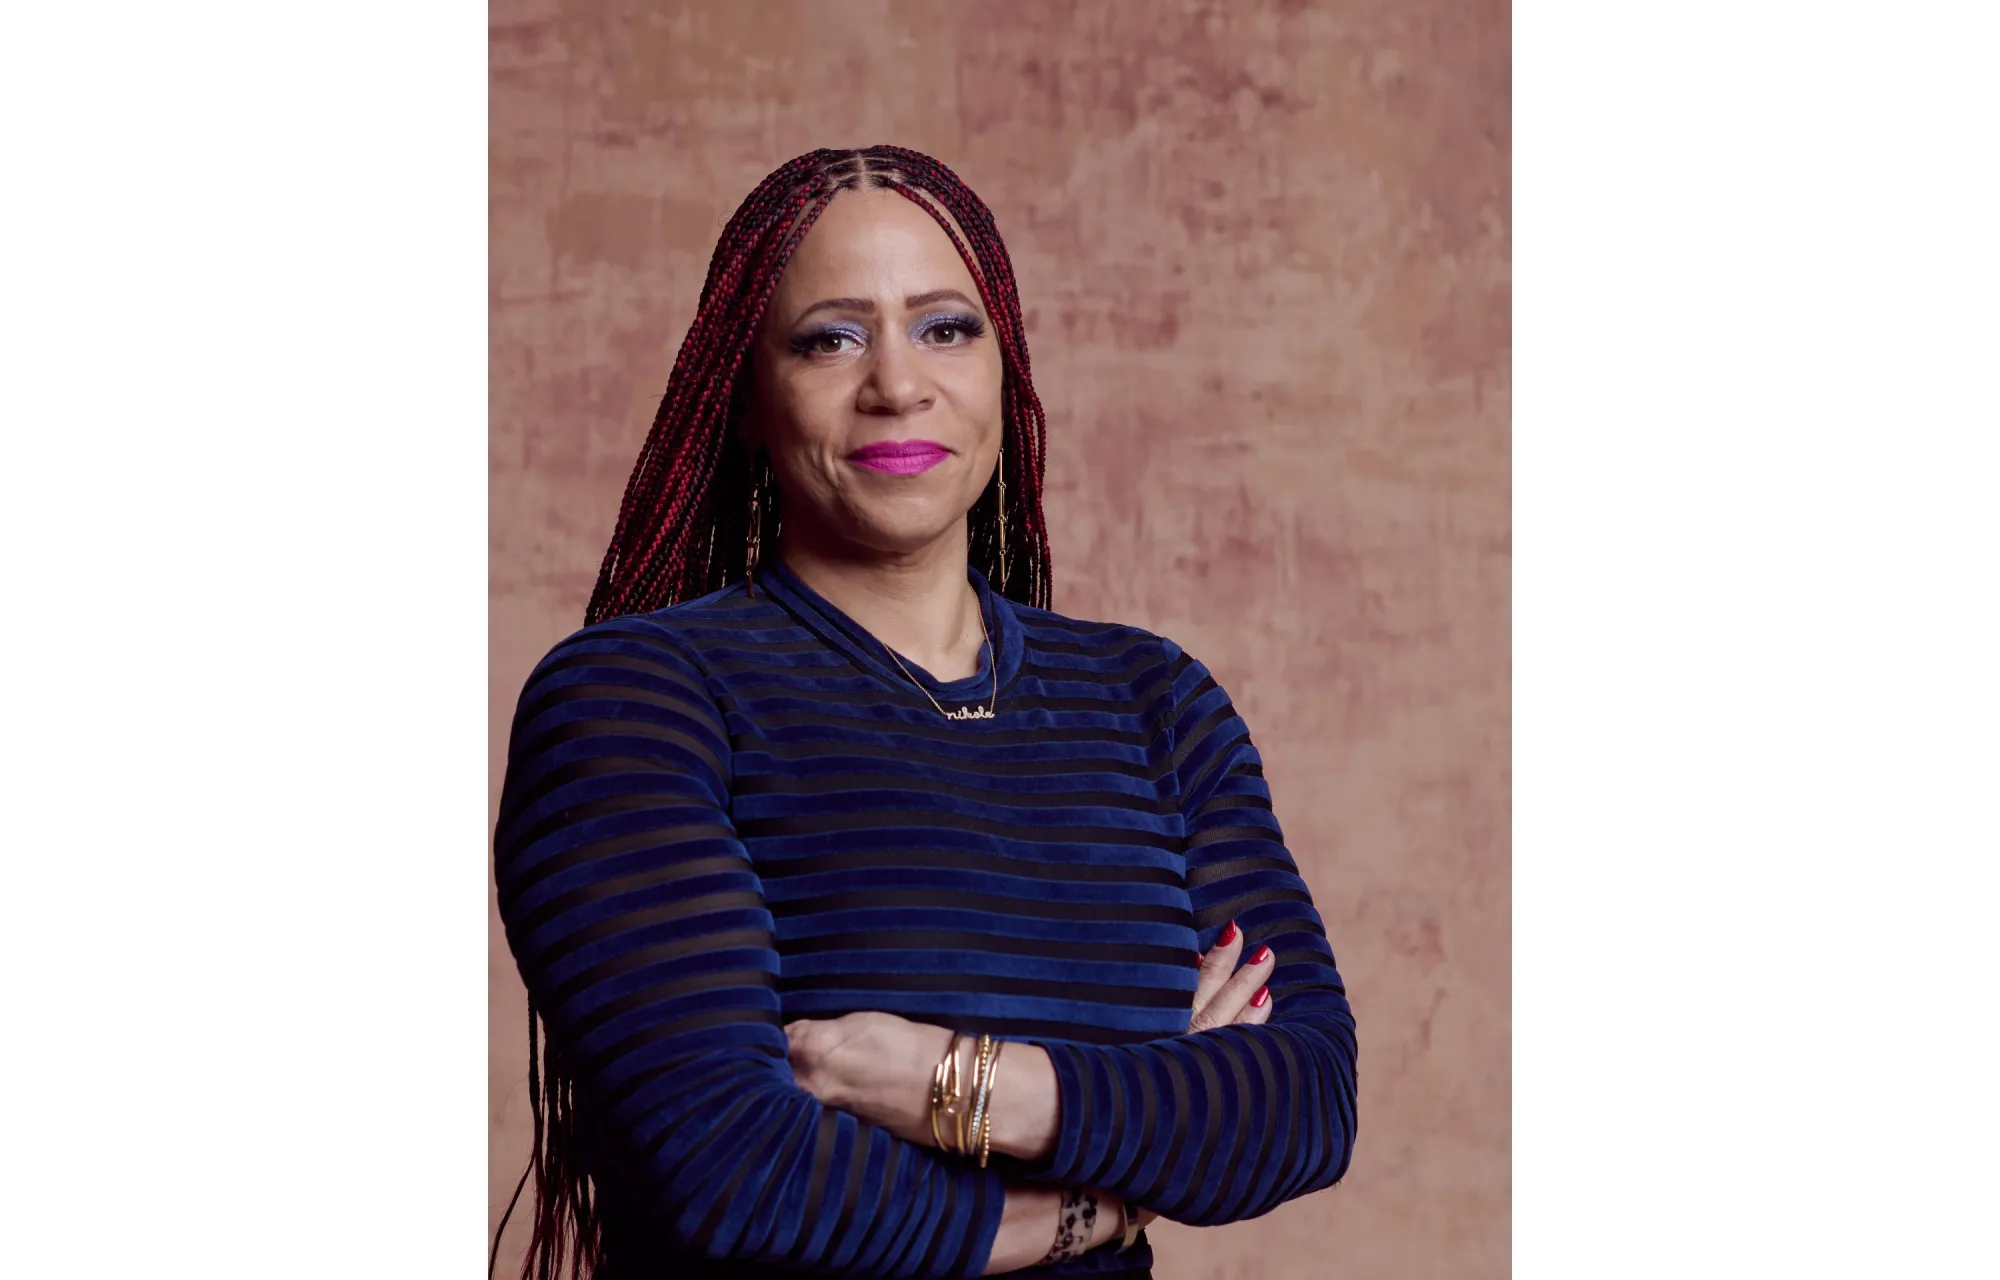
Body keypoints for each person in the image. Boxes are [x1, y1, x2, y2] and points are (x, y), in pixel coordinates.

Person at [492, 145, 1357, 1280]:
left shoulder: (1154, 702)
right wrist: (1109, 1187)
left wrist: (953, 1079)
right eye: (831, 336)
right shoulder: (633, 700)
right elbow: (733, 1168)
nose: (896, 382)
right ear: (749, 397)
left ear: (1006, 370)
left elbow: (1303, 1097)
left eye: (945, 327)